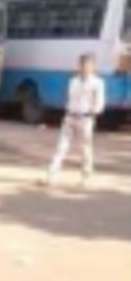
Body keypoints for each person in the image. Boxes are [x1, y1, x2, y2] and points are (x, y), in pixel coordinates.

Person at [45, 53, 105, 187]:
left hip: (85, 118)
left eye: (87, 64)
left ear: (93, 66)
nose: (84, 67)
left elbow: (100, 103)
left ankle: (86, 176)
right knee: (61, 146)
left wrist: (92, 112)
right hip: (70, 116)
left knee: (85, 149)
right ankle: (52, 174)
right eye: (82, 64)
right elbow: (69, 98)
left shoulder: (97, 83)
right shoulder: (73, 81)